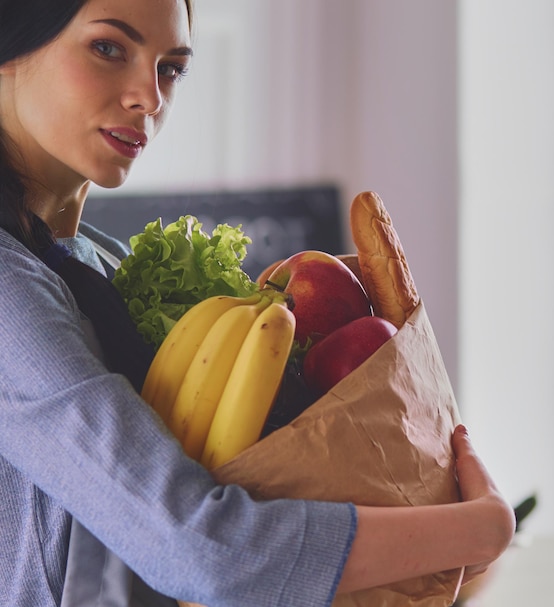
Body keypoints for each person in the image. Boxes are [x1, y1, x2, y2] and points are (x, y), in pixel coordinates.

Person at [0, 0, 516, 606]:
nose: (150, 96)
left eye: (171, 67)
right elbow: (200, 547)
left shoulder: (101, 261)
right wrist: (479, 530)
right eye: (109, 48)